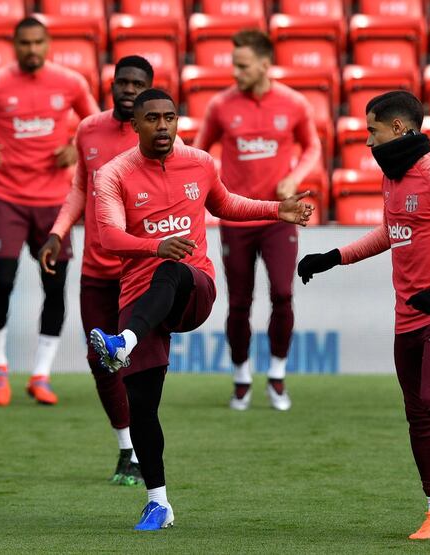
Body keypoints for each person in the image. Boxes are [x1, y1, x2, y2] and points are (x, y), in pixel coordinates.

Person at [89, 89, 313, 530]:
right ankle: (158, 502)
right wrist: (156, 245)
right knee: (142, 406)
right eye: (152, 119)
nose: (163, 127)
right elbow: (108, 238)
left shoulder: (199, 163)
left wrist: (276, 210)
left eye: (170, 118)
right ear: (134, 125)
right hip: (139, 298)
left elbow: (225, 203)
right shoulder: (113, 174)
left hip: (195, 288)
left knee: (173, 269)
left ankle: (124, 342)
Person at [297, 91, 430, 544]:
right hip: (408, 314)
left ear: (399, 130)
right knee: (417, 413)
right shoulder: (395, 177)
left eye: (372, 130)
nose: (367, 141)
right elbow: (393, 232)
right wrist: (334, 257)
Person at [0, 16, 99, 406]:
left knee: (55, 285)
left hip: (56, 202)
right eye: (25, 43)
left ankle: (41, 373)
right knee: (3, 279)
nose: (32, 50)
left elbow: (95, 122)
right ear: (15, 45)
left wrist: (76, 146)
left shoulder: (70, 82)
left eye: (38, 43)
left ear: (47, 43)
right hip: (8, 197)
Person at [38, 56, 155, 486]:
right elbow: (78, 190)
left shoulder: (156, 132)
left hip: (141, 270)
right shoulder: (88, 129)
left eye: (136, 84)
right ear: (111, 86)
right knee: (99, 359)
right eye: (121, 82)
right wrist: (57, 232)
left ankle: (145, 450)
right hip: (97, 268)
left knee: (139, 362)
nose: (127, 89)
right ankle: (127, 448)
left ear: (148, 88)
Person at [194, 29, 321, 411]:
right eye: (234, 64)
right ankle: (240, 377)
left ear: (265, 64)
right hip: (236, 217)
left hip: (278, 217)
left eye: (243, 65)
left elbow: (313, 145)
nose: (236, 71)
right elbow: (199, 153)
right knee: (238, 302)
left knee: (283, 293)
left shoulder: (293, 104)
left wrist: (295, 178)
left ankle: (278, 376)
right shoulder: (220, 106)